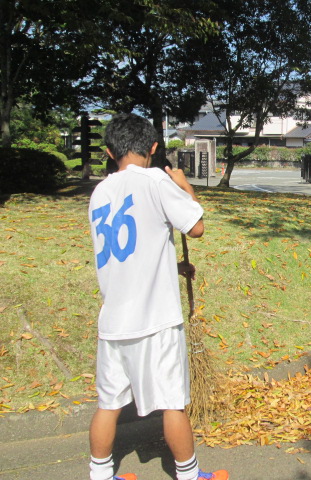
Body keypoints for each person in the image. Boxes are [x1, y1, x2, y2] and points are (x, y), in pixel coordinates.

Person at [87, 113, 228, 480]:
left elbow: (130, 251)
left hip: (113, 321)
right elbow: (196, 227)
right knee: (172, 403)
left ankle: (100, 475)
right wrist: (184, 186)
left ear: (109, 152)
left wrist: (173, 267)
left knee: (108, 404)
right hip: (155, 321)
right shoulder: (155, 180)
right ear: (152, 147)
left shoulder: (100, 192)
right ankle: (190, 474)